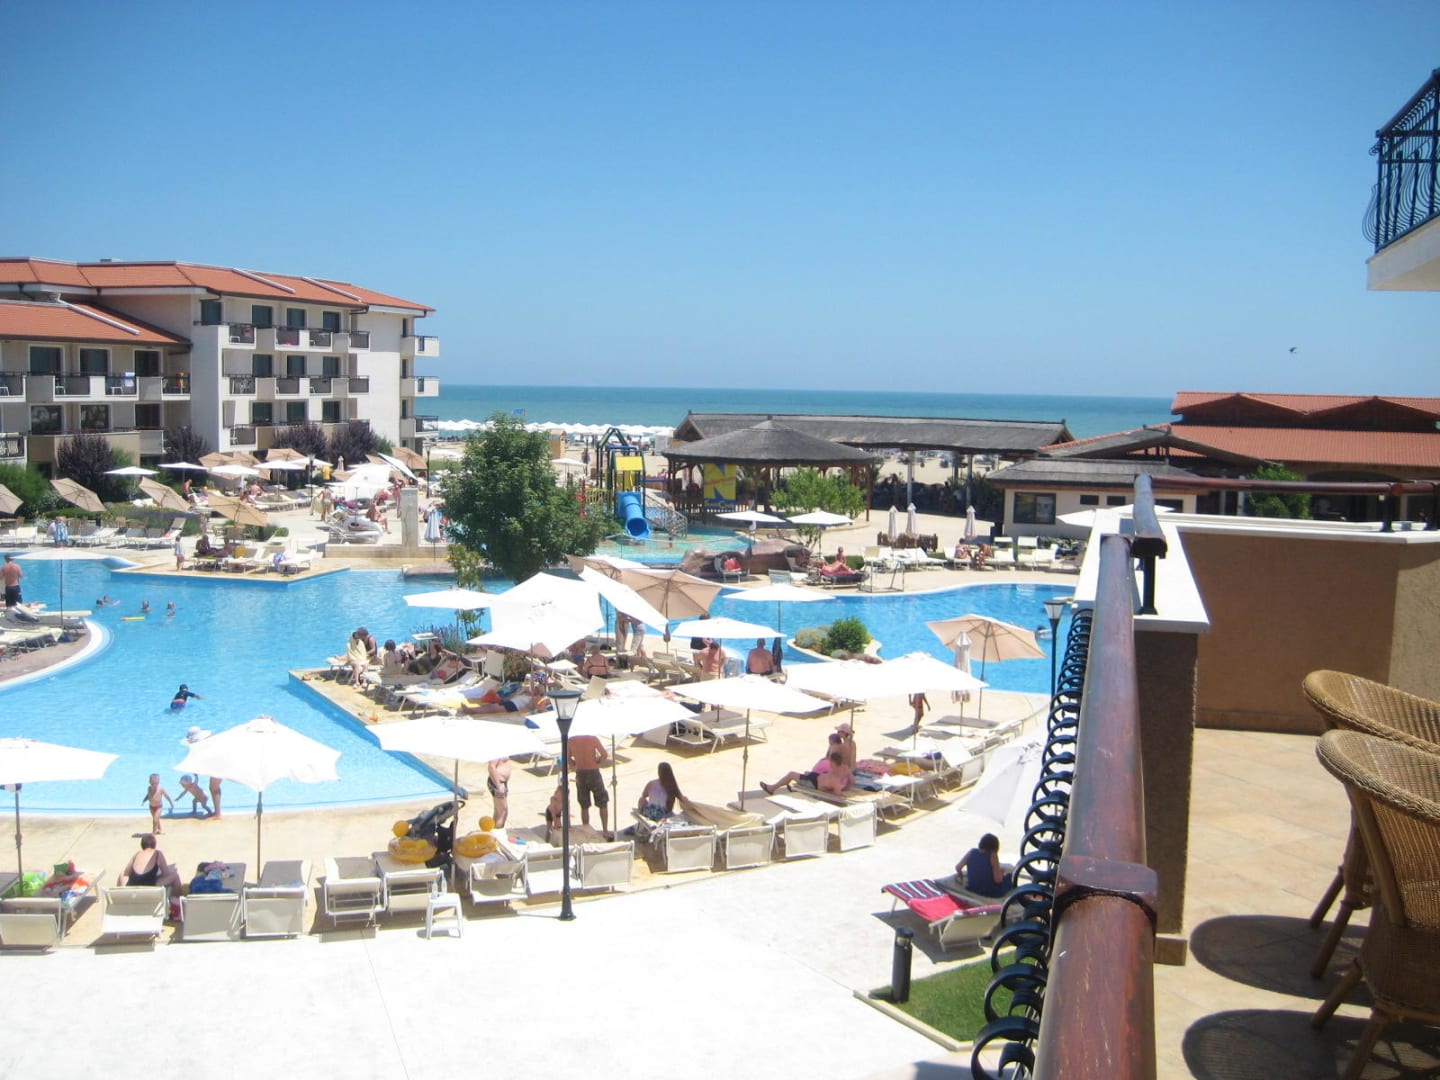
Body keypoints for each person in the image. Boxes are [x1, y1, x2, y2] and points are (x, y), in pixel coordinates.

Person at [567, 732, 610, 835]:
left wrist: (575, 765)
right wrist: (597, 763)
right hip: (593, 772)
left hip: (580, 772)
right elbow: (604, 754)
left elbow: (567, 758)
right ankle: (605, 830)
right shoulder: (592, 738)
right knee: (602, 802)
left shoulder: (571, 740)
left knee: (584, 805)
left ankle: (587, 831)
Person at [760, 751, 852, 797]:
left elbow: (837, 793)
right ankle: (793, 788)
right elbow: (852, 780)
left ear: (833, 762)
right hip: (815, 777)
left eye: (830, 761)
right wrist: (847, 787)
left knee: (791, 774)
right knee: (805, 773)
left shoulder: (835, 779)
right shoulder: (844, 768)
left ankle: (772, 788)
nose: (829, 763)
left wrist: (841, 790)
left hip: (813, 783)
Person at [118, 834, 183, 891]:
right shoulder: (157, 853)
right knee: (175, 876)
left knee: (121, 874)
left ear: (142, 845)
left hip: (133, 883)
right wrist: (157, 875)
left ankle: (119, 897)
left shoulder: (137, 854)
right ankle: (176, 900)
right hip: (149, 884)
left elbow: (126, 873)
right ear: (154, 845)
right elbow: (166, 874)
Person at [956, 833, 1010, 898]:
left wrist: (960, 877)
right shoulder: (992, 855)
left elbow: (958, 867)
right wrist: (1001, 873)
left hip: (972, 888)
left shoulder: (971, 852)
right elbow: (998, 880)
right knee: (1010, 877)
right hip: (989, 892)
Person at [487, 757, 511, 828]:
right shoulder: (496, 751)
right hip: (498, 783)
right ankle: (498, 831)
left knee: (498, 811)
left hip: (500, 783)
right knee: (503, 812)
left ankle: (494, 831)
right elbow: (491, 767)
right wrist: (499, 786)